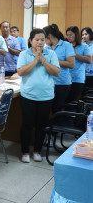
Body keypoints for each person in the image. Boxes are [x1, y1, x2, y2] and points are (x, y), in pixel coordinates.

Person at [17, 28, 60, 163]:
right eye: (37, 40)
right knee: (27, 124)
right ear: (31, 41)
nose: (40, 43)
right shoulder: (24, 54)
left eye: (42, 39)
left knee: (41, 125)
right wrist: (36, 60)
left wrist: (43, 60)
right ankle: (24, 152)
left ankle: (37, 151)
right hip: (28, 95)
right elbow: (21, 72)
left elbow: (56, 72)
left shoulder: (51, 54)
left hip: (46, 96)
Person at [43, 24, 75, 114]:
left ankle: (56, 127)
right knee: (46, 110)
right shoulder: (46, 48)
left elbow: (71, 64)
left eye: (43, 38)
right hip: (48, 83)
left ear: (49, 36)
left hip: (62, 83)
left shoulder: (66, 45)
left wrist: (53, 61)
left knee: (57, 110)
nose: (43, 41)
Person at [65, 26, 91, 102]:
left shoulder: (84, 46)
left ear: (76, 35)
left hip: (77, 79)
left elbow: (89, 60)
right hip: (65, 79)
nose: (68, 37)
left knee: (71, 102)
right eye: (67, 35)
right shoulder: (66, 45)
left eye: (71, 35)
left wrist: (74, 54)